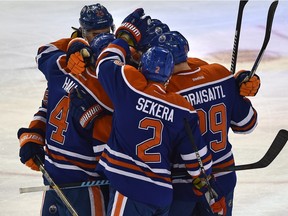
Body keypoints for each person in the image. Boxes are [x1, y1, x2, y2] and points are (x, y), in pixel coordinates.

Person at [92, 8, 226, 216]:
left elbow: (105, 61)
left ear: (142, 67)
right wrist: (202, 178)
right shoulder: (182, 108)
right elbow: (197, 158)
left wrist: (124, 37)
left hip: (130, 188)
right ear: (168, 76)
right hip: (162, 196)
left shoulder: (129, 88)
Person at [147, 31, 260, 216]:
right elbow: (247, 124)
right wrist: (236, 88)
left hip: (182, 183)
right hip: (223, 177)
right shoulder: (220, 74)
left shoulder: (164, 92)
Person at [18, 21, 116, 216]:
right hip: (85, 184)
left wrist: (32, 135)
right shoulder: (106, 93)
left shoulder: (60, 67)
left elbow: (44, 53)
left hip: (54, 174)